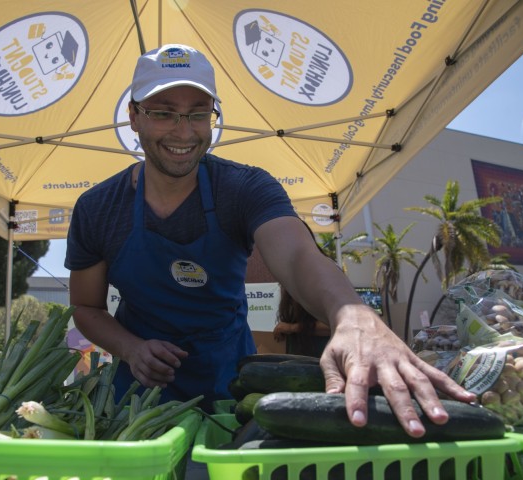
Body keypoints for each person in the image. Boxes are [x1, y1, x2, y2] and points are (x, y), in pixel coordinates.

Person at [66, 44, 475, 436]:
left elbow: (297, 255)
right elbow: (86, 306)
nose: (184, 131)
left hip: (231, 377)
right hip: (139, 390)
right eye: (163, 113)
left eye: (198, 114)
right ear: (134, 116)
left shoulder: (244, 188)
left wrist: (352, 315)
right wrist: (132, 348)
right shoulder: (97, 208)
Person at [273, 284, 332, 357]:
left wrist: (291, 327)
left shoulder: (321, 292)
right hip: (297, 358)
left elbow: (331, 327)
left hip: (319, 357)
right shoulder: (290, 293)